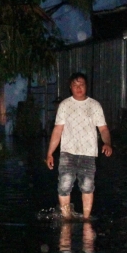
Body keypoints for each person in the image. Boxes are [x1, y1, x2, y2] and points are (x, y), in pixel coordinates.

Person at [45, 72, 113, 220]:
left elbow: (103, 129)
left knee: (88, 187)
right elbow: (57, 130)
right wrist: (50, 153)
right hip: (67, 152)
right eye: (75, 85)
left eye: (81, 84)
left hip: (88, 153)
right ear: (70, 87)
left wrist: (107, 143)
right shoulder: (64, 105)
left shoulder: (94, 106)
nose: (78, 88)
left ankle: (87, 219)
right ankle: (67, 219)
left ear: (86, 86)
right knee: (64, 186)